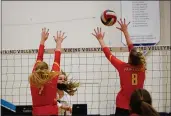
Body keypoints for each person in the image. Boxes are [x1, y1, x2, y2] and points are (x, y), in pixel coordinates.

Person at [92, 18, 146, 116]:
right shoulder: (142, 67)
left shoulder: (122, 67)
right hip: (137, 105)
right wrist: (125, 31)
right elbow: (132, 49)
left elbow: (108, 55)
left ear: (130, 57)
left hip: (122, 105)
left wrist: (100, 39)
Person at [29, 28, 66, 115]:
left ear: (36, 69)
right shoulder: (52, 77)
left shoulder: (32, 79)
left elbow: (39, 58)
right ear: (47, 70)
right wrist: (58, 43)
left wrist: (42, 40)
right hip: (51, 113)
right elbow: (57, 59)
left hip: (37, 113)